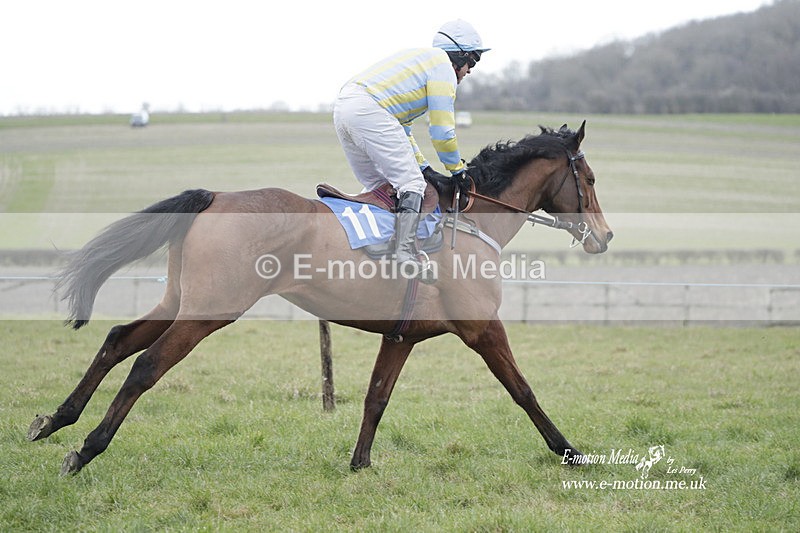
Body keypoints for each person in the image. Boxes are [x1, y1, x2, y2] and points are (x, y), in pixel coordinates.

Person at [333, 19, 489, 278]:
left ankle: (363, 250)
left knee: (381, 186)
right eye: (472, 61)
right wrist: (457, 170)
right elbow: (442, 132)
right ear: (459, 56)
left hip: (345, 109)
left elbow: (402, 128)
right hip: (369, 110)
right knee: (412, 185)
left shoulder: (423, 62)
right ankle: (404, 253)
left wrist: (424, 166)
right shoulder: (443, 70)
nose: (470, 71)